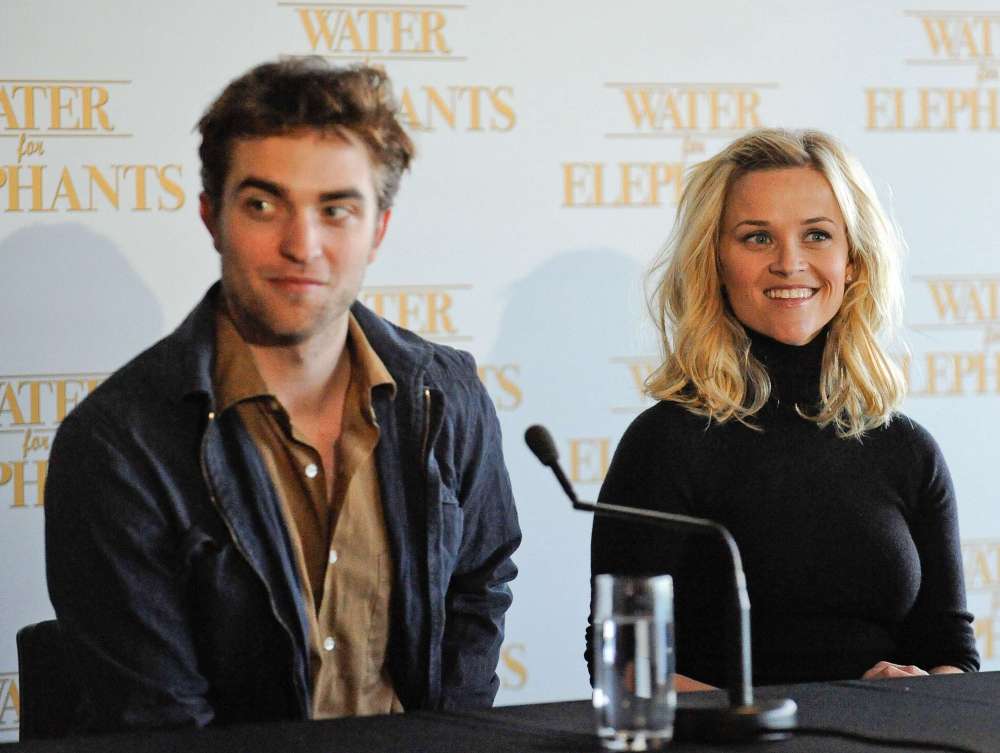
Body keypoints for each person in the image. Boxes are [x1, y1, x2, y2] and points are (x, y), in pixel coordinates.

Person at [44, 58, 521, 732]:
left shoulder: (443, 395)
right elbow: (160, 723)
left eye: (336, 210)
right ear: (212, 217)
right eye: (263, 205)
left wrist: (447, 739)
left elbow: (479, 583)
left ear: (378, 230)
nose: (302, 245)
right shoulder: (119, 442)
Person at [590, 128, 978, 691]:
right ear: (715, 263)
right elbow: (625, 665)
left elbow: (951, 653)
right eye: (757, 238)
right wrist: (790, 717)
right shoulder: (666, 442)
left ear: (853, 261)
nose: (790, 262)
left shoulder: (907, 448)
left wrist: (919, 692)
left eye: (817, 235)